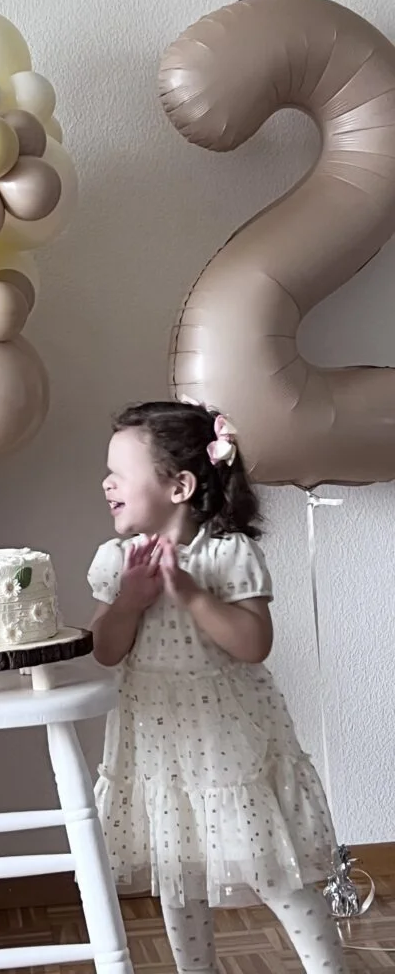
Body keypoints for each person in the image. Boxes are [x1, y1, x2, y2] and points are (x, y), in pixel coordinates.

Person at [87, 400, 346, 974]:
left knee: (273, 865)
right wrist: (130, 599)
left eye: (119, 473)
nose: (106, 483)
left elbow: (254, 644)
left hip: (229, 742)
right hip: (158, 737)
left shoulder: (228, 554)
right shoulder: (116, 561)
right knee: (179, 869)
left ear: (178, 485)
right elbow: (106, 651)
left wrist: (193, 596)